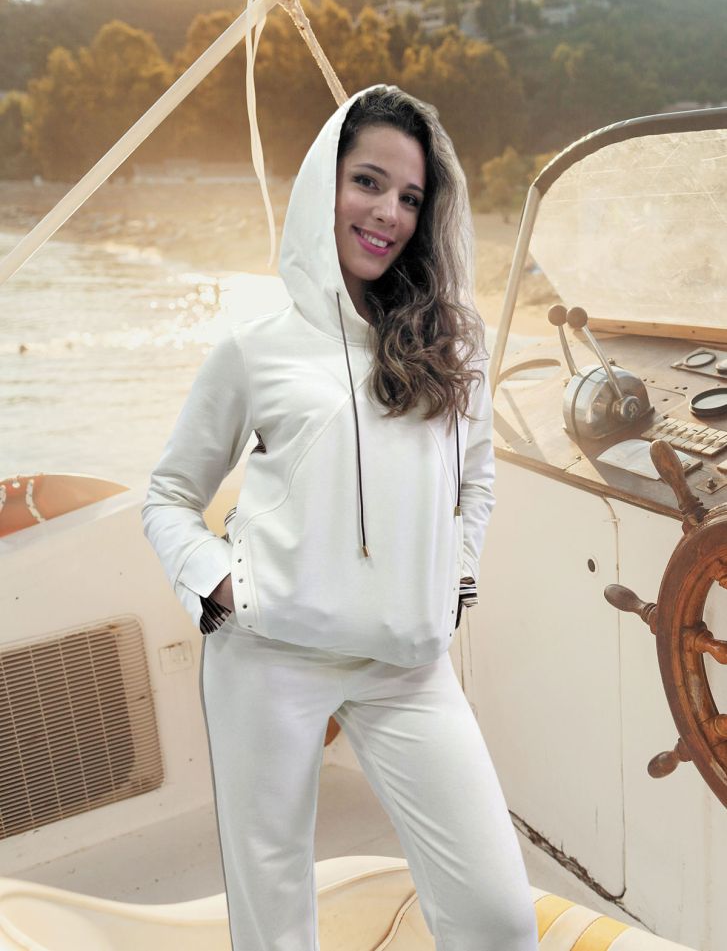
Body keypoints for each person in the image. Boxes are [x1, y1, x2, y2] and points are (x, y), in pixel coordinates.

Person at [142, 83, 538, 951]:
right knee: (275, 918)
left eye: (410, 197)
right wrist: (219, 582)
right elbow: (168, 494)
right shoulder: (256, 348)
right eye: (367, 182)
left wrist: (452, 578)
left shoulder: (453, 341)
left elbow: (475, 480)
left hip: (408, 663)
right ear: (323, 184)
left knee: (499, 919)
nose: (388, 213)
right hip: (270, 658)